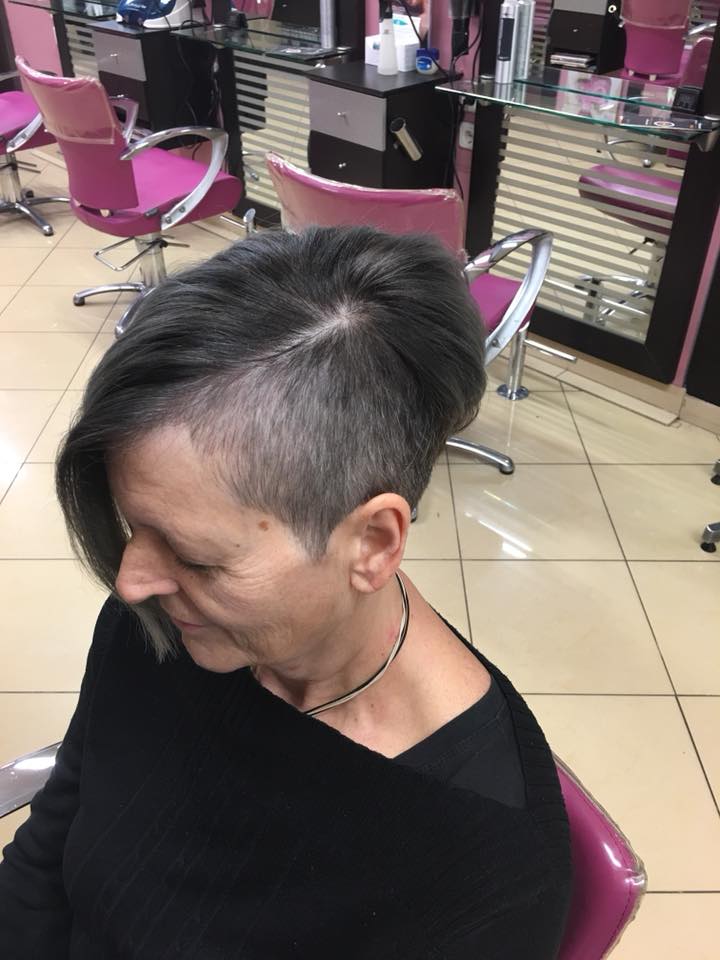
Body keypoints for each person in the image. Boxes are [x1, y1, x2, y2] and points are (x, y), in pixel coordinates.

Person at [0, 226, 571, 958]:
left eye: (195, 556)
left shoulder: (484, 875)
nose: (132, 579)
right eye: (135, 526)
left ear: (373, 544)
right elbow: (49, 850)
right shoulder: (165, 620)